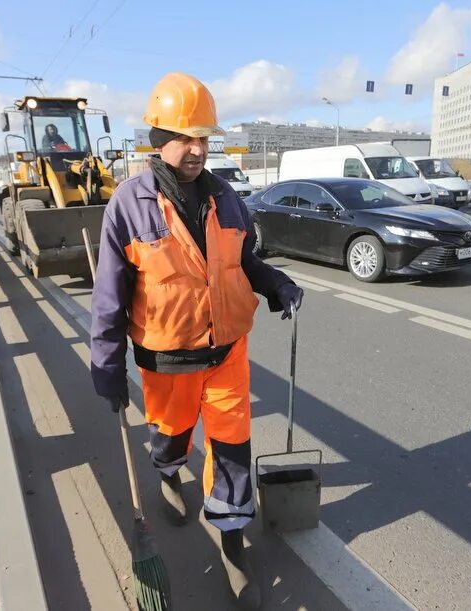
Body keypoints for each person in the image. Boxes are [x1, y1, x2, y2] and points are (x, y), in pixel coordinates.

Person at [90, 72, 303, 609]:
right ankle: (168, 473)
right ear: (158, 138)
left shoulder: (227, 197)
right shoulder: (129, 204)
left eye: (204, 138)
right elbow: (110, 295)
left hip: (228, 350)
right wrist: (106, 363)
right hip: (167, 358)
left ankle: (232, 540)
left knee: (232, 447)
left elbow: (242, 261)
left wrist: (275, 283)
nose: (197, 149)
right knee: (172, 436)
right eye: (186, 137)